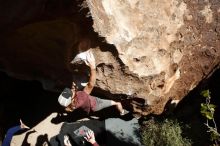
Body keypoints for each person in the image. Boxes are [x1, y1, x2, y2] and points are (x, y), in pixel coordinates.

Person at [58, 48, 128, 116]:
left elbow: (72, 90)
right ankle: (122, 112)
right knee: (117, 102)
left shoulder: (70, 104)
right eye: (71, 92)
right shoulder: (81, 98)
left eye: (67, 91)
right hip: (96, 104)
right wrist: (93, 67)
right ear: (72, 99)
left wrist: (73, 88)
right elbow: (90, 85)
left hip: (87, 104)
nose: (70, 90)